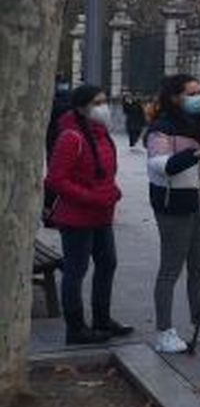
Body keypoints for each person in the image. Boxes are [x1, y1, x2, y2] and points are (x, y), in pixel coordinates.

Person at [144, 75, 200, 354]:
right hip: (172, 205)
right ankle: (164, 332)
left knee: (198, 268)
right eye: (191, 93)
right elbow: (161, 165)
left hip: (197, 202)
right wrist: (196, 154)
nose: (198, 98)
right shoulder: (161, 128)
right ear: (174, 97)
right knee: (171, 269)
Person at [45, 85, 128, 345]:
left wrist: (111, 191)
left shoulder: (102, 134)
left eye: (104, 101)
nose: (104, 107)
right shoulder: (71, 137)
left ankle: (102, 319)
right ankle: (76, 328)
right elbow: (56, 179)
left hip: (101, 214)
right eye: (97, 103)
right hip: (76, 217)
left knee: (107, 263)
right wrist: (91, 196)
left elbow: (105, 173)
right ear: (82, 107)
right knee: (76, 270)